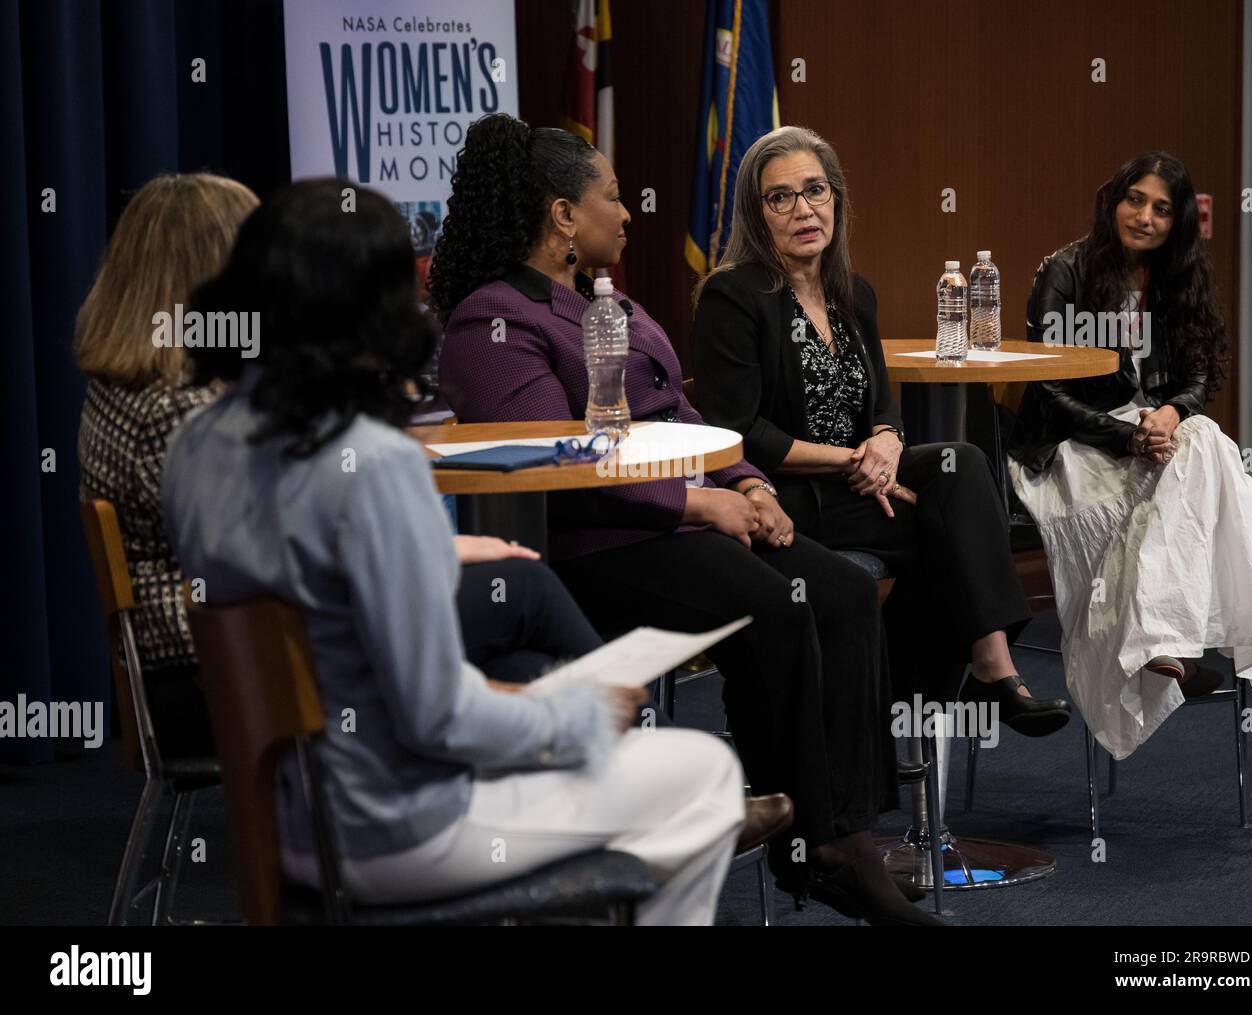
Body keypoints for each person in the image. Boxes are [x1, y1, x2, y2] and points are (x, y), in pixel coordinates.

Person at [162, 179, 747, 925]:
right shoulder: (372, 463)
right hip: (402, 828)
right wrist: (580, 715)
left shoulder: (196, 446)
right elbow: (437, 719)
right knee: (707, 773)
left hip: (292, 823)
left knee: (559, 710)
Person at [434, 114, 942, 925]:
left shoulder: (611, 302)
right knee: (778, 609)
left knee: (842, 592)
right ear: (564, 215)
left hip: (685, 521)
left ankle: (845, 835)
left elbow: (682, 412)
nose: (628, 212)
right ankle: (808, 836)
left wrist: (747, 482)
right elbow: (557, 460)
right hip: (594, 545)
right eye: (610, 196)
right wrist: (694, 500)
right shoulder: (493, 322)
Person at [690, 125, 1067, 735]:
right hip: (783, 496)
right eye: (779, 197)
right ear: (756, 216)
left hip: (859, 489)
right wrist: (851, 462)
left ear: (836, 198)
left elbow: (882, 406)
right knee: (951, 546)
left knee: (963, 466)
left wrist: (888, 441)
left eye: (815, 190)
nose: (803, 209)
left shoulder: (852, 294)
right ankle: (909, 715)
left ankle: (988, 665)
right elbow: (735, 431)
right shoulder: (733, 296)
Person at [1008, 151, 1252, 759]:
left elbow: (1194, 379)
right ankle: (1195, 641)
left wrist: (1168, 415)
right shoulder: (1065, 270)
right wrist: (1127, 436)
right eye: (1134, 200)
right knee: (1244, 496)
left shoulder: (1178, 280)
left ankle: (1163, 635)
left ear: (1179, 222)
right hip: (1076, 441)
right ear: (1112, 201)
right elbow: (1048, 389)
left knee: (1207, 444)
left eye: (1161, 209)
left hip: (1155, 436)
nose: (1144, 217)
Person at [76, 173, 260, 759]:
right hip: (206, 677)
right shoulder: (180, 408)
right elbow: (250, 559)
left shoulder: (126, 384)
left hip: (186, 665)